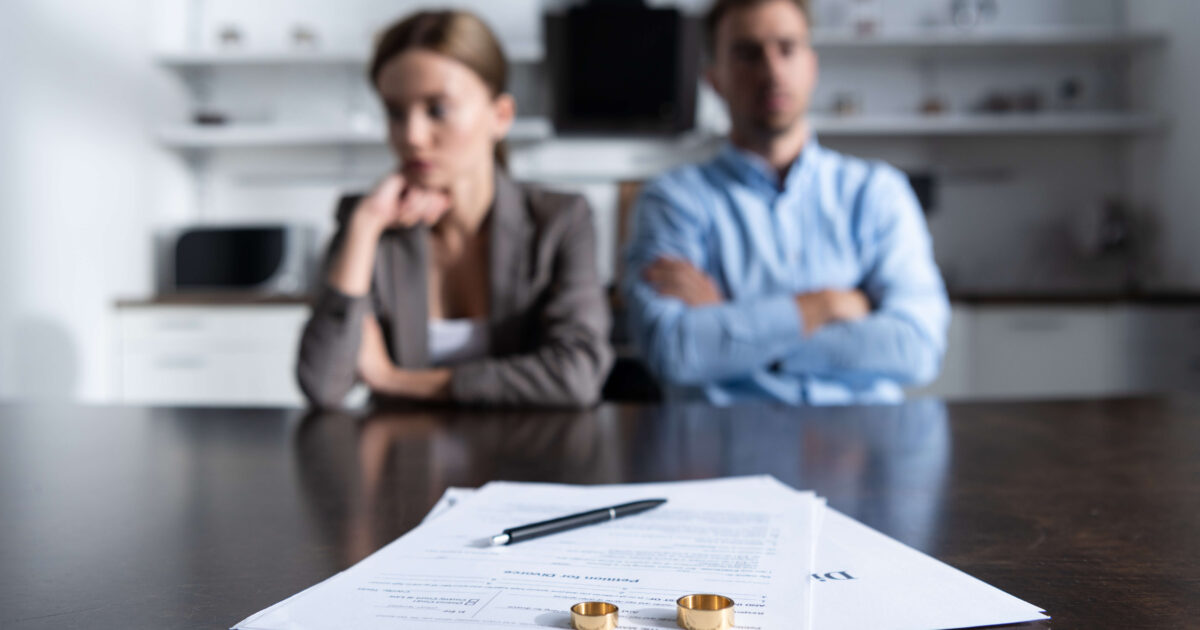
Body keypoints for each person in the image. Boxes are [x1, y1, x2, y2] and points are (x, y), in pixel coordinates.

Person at [622, 0, 949, 405]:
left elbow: (916, 348)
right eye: (747, 53)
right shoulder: (672, 200)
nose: (772, 71)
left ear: (812, 66)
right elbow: (675, 351)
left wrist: (735, 324)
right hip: (725, 450)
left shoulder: (877, 192)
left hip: (864, 448)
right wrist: (826, 305)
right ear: (714, 80)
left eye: (787, 48)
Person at [298, 10, 612, 409]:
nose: (412, 136)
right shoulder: (368, 221)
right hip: (403, 463)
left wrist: (395, 381)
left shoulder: (560, 220)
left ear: (500, 116)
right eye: (395, 112)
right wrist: (365, 225)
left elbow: (577, 376)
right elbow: (322, 384)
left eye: (438, 110)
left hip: (524, 460)